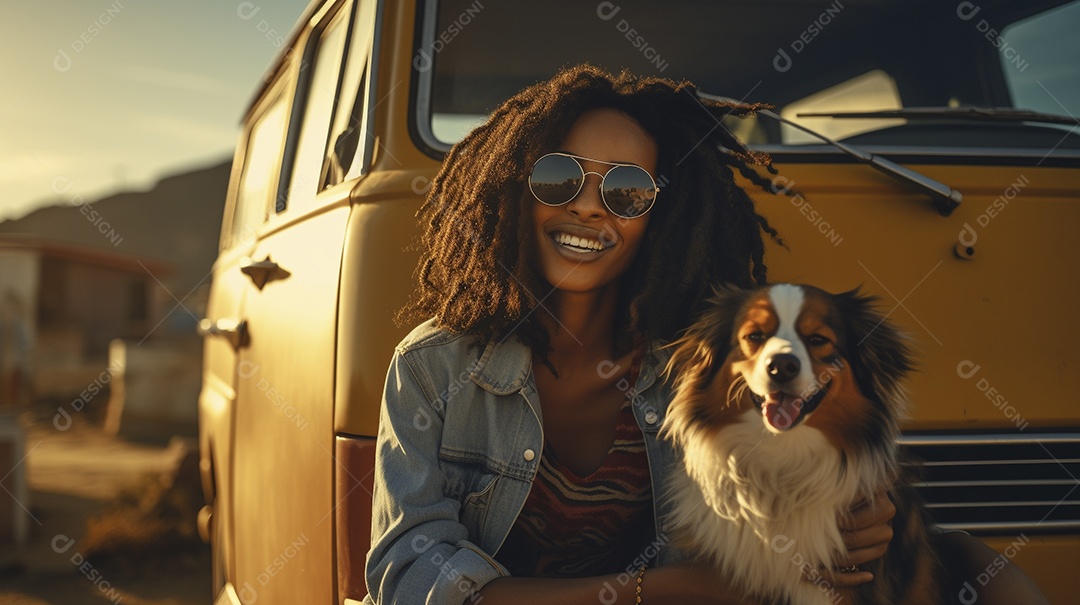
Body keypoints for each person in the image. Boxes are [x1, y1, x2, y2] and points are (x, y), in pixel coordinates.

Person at [364, 65, 1047, 605]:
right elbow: (406, 578)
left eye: (627, 191)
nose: (587, 204)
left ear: (663, 214)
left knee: (980, 562)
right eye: (558, 176)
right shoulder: (432, 365)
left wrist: (868, 513)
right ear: (516, 187)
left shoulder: (706, 367)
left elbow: (807, 478)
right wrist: (645, 592)